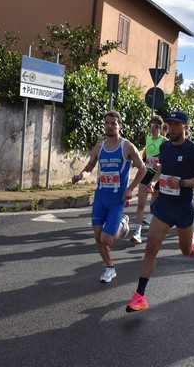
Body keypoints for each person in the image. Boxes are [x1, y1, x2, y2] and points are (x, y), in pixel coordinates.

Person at [126, 111, 194, 312]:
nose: (171, 128)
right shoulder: (165, 147)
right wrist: (154, 182)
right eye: (170, 125)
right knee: (151, 247)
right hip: (164, 205)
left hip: (183, 208)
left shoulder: (193, 150)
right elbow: (163, 168)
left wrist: (183, 182)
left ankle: (192, 239)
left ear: (185, 128)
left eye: (176, 125)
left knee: (186, 251)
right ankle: (140, 296)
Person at [72, 110, 146, 283]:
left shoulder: (127, 146)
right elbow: (89, 168)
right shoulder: (99, 146)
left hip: (117, 199)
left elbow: (142, 169)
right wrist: (80, 176)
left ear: (120, 125)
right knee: (98, 236)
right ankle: (110, 268)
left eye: (114, 123)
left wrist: (131, 188)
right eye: (107, 123)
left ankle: (122, 224)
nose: (110, 126)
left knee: (106, 239)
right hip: (100, 197)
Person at [131, 115, 167, 244]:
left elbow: (166, 161)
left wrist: (160, 165)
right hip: (147, 174)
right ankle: (137, 232)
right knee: (141, 204)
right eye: (151, 126)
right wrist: (137, 162)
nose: (153, 129)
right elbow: (146, 156)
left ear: (160, 128)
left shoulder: (164, 142)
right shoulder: (148, 139)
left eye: (156, 126)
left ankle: (153, 221)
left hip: (158, 176)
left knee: (154, 205)